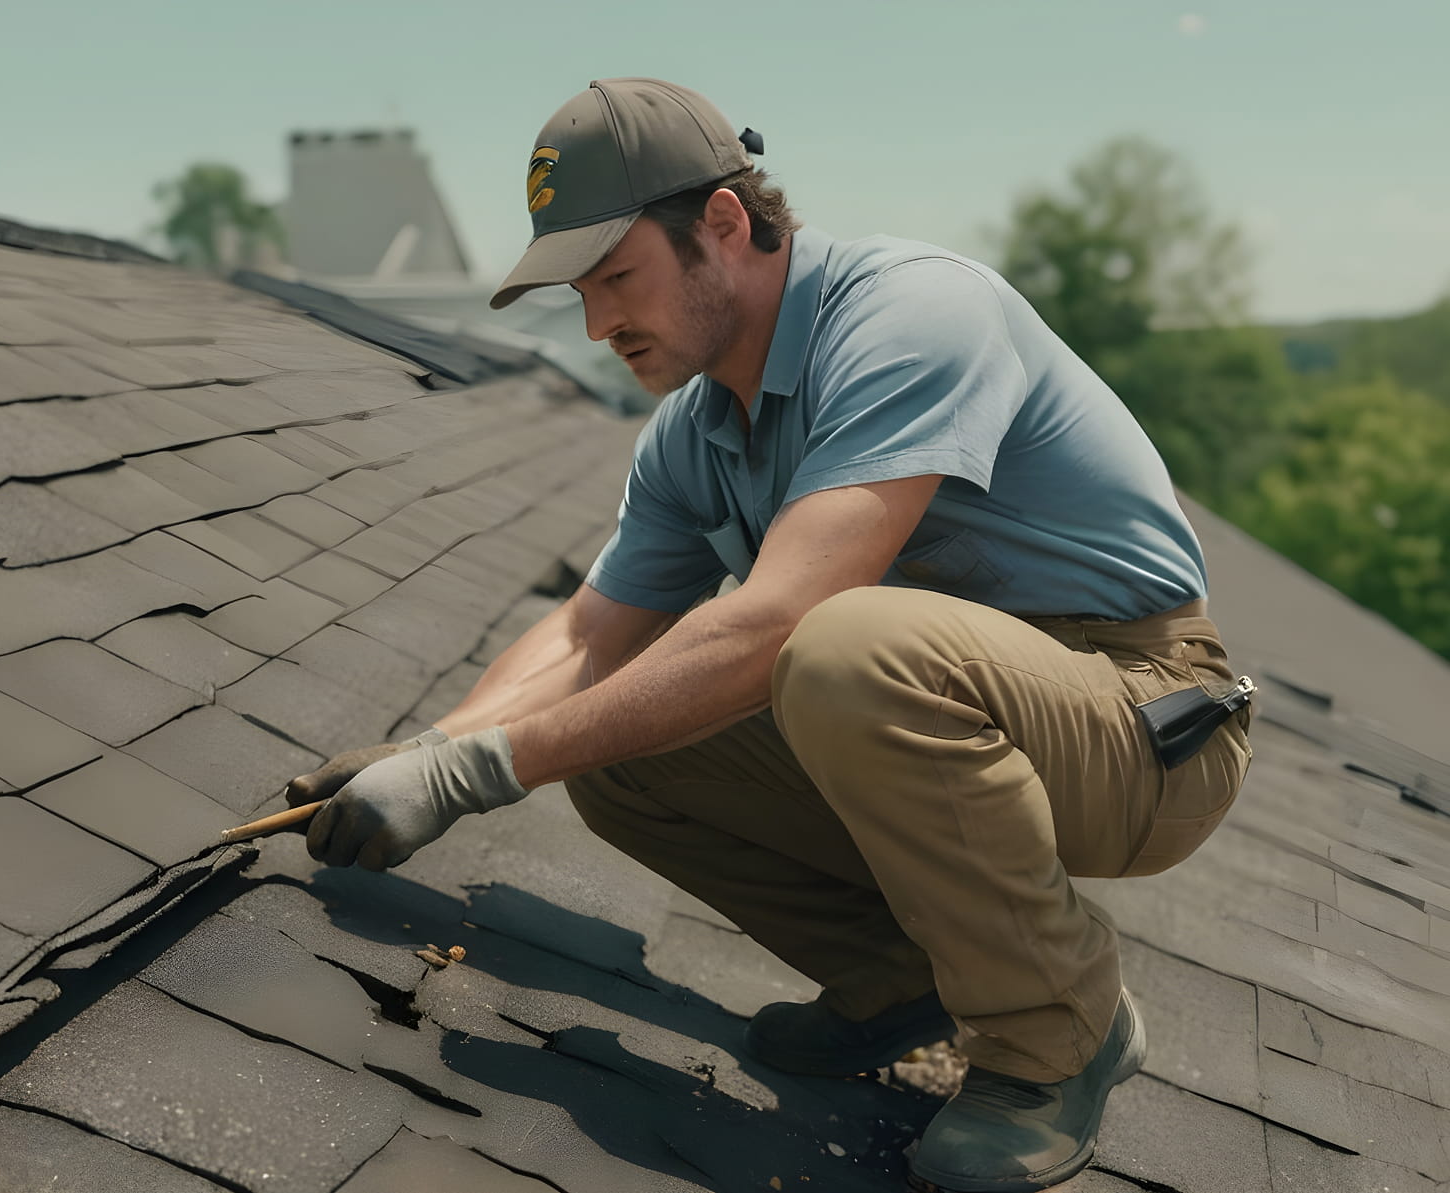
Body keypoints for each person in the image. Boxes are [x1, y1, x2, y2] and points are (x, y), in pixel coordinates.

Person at [282, 77, 1252, 1193]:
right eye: (579, 294)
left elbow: (786, 617)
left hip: (1141, 716)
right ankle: (900, 981)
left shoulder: (910, 314)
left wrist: (476, 773)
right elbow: (593, 633)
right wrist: (431, 749)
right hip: (950, 711)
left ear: (725, 226)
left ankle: (1059, 1036)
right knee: (622, 738)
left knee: (840, 648)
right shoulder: (693, 431)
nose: (599, 326)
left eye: (616, 278)